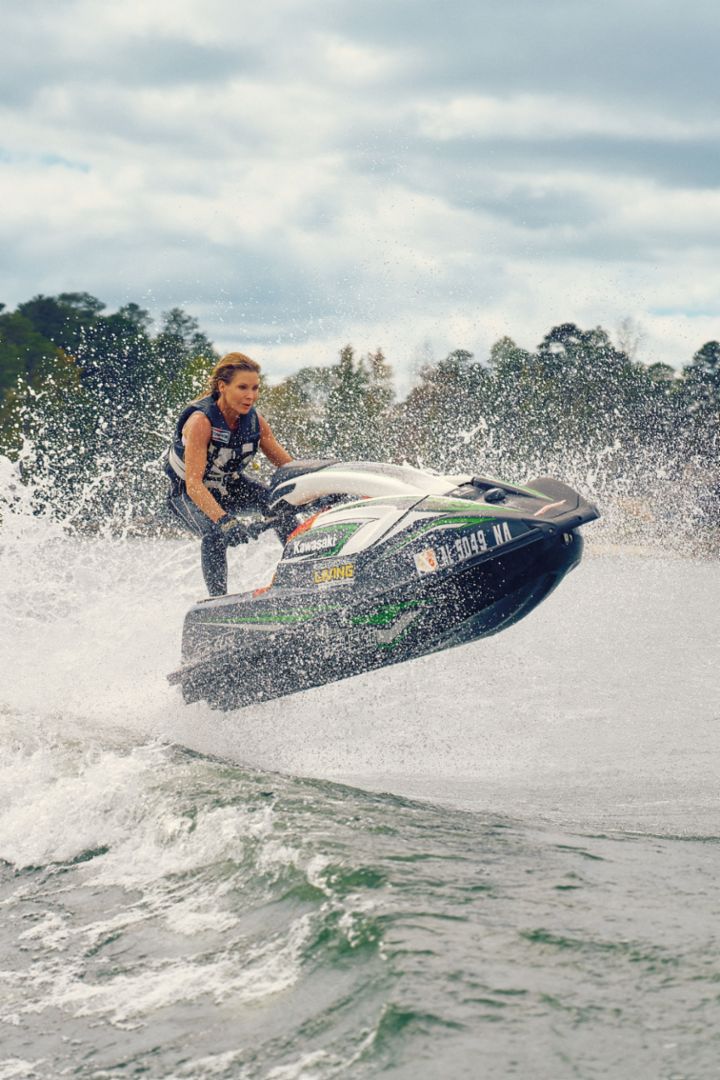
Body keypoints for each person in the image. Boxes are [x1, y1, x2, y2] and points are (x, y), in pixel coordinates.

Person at [166, 352, 293, 596]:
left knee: (281, 506)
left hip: (230, 487)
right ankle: (218, 602)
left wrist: (318, 488)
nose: (251, 396)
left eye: (255, 388)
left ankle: (303, 574)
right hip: (187, 495)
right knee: (214, 535)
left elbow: (288, 468)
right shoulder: (201, 421)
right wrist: (225, 521)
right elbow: (193, 484)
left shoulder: (255, 421)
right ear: (222, 387)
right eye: (242, 387)